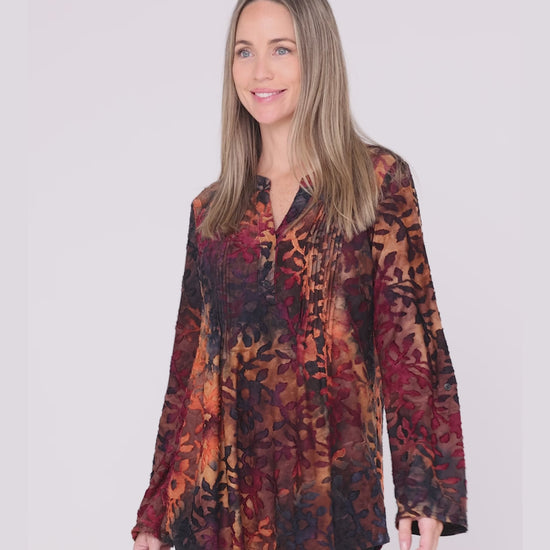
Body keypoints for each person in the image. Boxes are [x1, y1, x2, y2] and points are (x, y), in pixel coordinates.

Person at [131, 1, 467, 549]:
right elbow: (187, 364)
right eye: (245, 52)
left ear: (317, 56)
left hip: (331, 504)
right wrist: (154, 512)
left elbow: (409, 343)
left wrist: (422, 488)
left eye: (281, 49)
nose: (260, 71)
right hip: (219, 512)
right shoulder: (212, 211)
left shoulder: (374, 182)